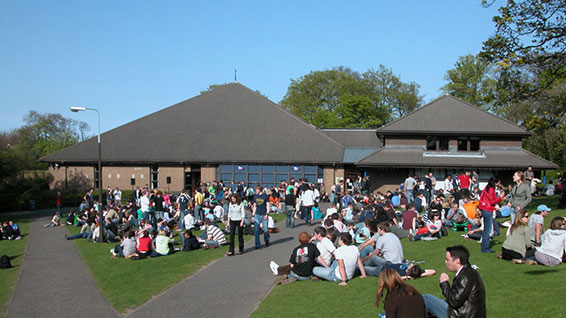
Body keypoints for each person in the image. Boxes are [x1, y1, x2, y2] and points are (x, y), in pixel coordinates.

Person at [423, 245, 486, 318]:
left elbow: (454, 301)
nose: (445, 262)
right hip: (468, 312)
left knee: (427, 299)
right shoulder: (470, 272)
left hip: (462, 315)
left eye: (447, 259)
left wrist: (444, 283)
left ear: (457, 261)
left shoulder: (465, 277)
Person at [478, 176, 505, 253]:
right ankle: (485, 248)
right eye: (498, 182)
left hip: (484, 208)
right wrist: (500, 197)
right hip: (488, 209)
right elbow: (492, 201)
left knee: (486, 229)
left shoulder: (487, 188)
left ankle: (484, 246)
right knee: (487, 229)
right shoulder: (491, 189)